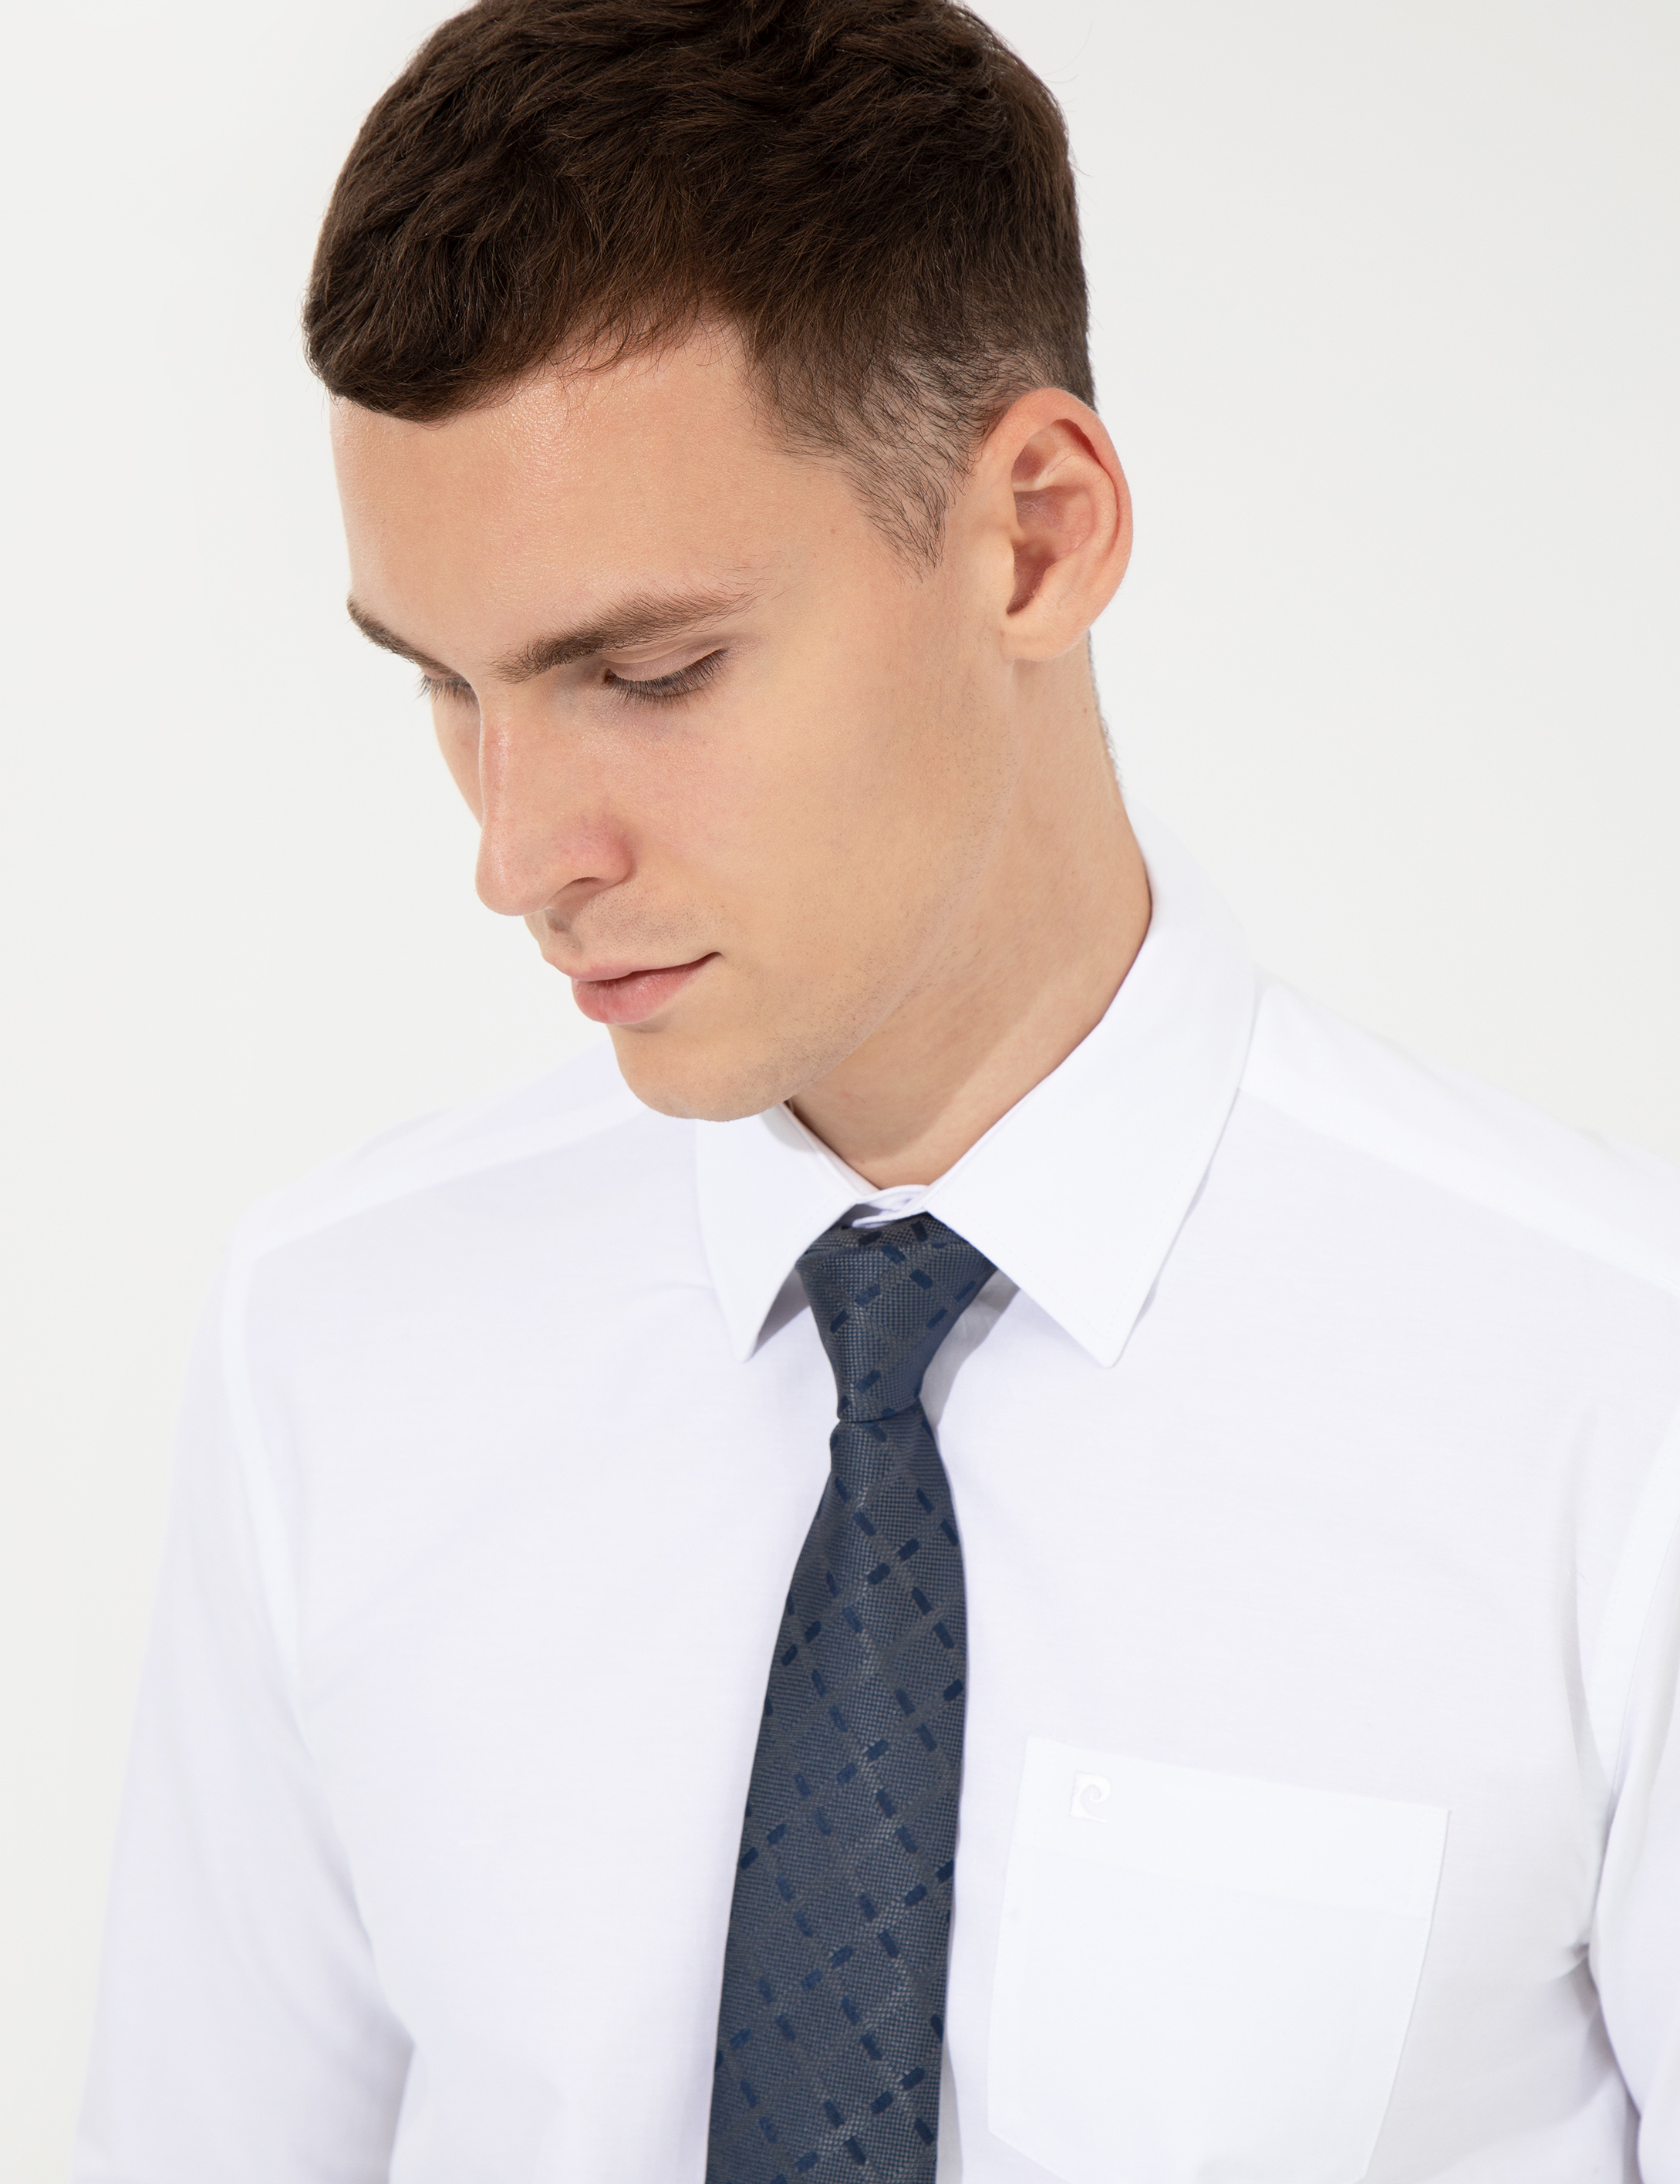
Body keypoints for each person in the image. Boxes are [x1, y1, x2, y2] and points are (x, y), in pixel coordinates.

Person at [76, 1, 1680, 2179]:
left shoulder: (1613, 1400)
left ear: (1033, 536)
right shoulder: (331, 1344)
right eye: (447, 688)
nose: (517, 855)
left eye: (646, 672)